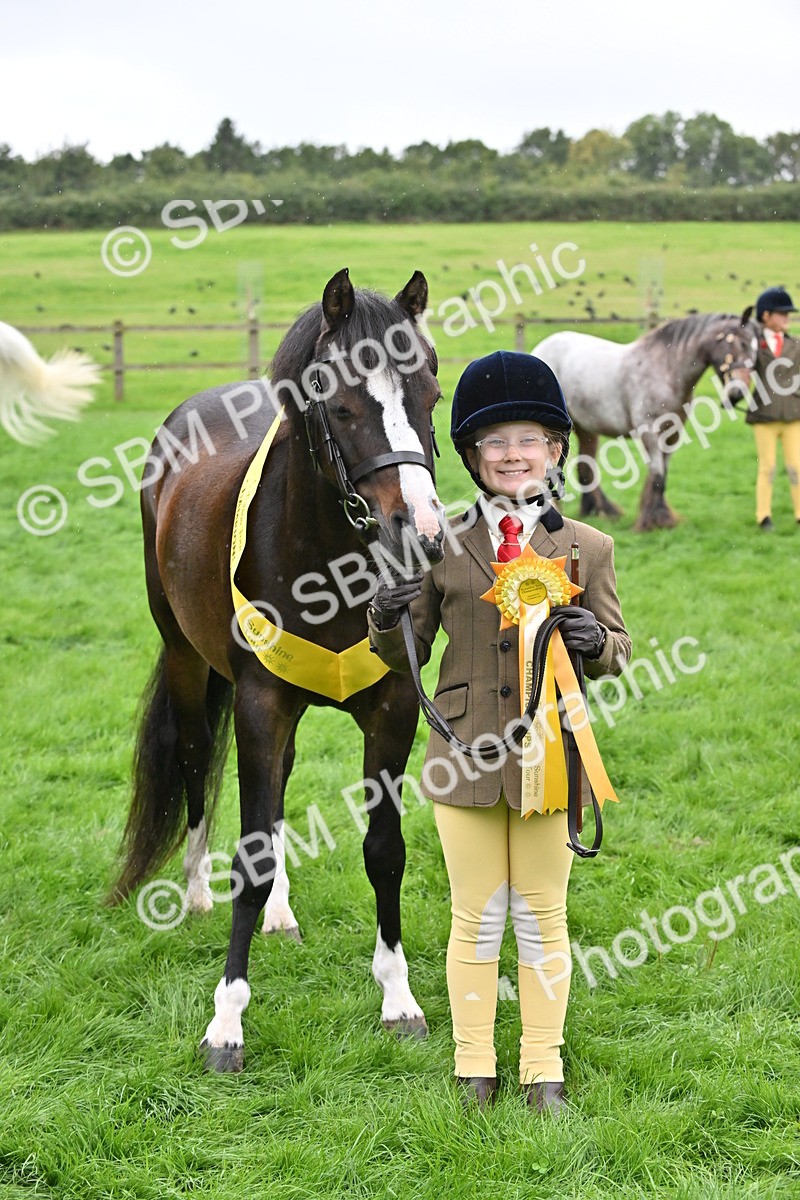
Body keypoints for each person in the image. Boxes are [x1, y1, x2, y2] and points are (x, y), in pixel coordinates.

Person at [367, 351, 631, 1115]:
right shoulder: (440, 541)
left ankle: (542, 1069)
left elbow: (617, 647)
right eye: (495, 443)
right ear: (473, 456)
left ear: (556, 450)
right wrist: (385, 617)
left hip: (554, 753)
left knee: (543, 913)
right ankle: (473, 1065)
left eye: (530, 439)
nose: (513, 454)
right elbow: (403, 652)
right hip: (463, 750)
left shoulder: (589, 546)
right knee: (475, 912)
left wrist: (593, 641)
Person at [746, 287, 800, 530]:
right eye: (782, 314)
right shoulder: (754, 346)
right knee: (767, 467)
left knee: (796, 467)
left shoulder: (796, 345)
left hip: (793, 415)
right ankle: (763, 516)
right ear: (766, 316)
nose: (787, 318)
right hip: (765, 416)